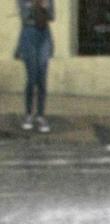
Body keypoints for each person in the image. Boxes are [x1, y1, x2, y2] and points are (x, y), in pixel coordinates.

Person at [14, 0, 54, 133]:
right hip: (29, 35)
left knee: (42, 79)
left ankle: (41, 115)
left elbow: (52, 16)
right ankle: (28, 114)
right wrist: (36, 5)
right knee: (31, 78)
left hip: (44, 36)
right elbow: (25, 17)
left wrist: (45, 8)